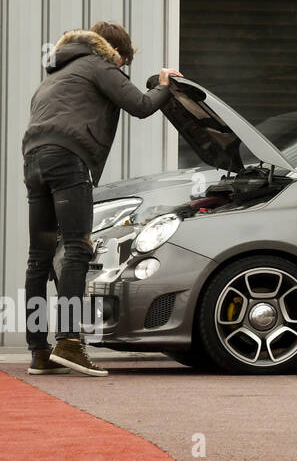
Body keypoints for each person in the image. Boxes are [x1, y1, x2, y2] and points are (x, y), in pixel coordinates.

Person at [21, 22, 181, 376]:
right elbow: (139, 105)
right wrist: (167, 86)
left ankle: (38, 351)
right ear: (117, 53)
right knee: (78, 248)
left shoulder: (56, 75)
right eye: (124, 62)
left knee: (40, 256)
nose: (122, 70)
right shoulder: (99, 65)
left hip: (35, 161)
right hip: (66, 159)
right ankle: (69, 343)